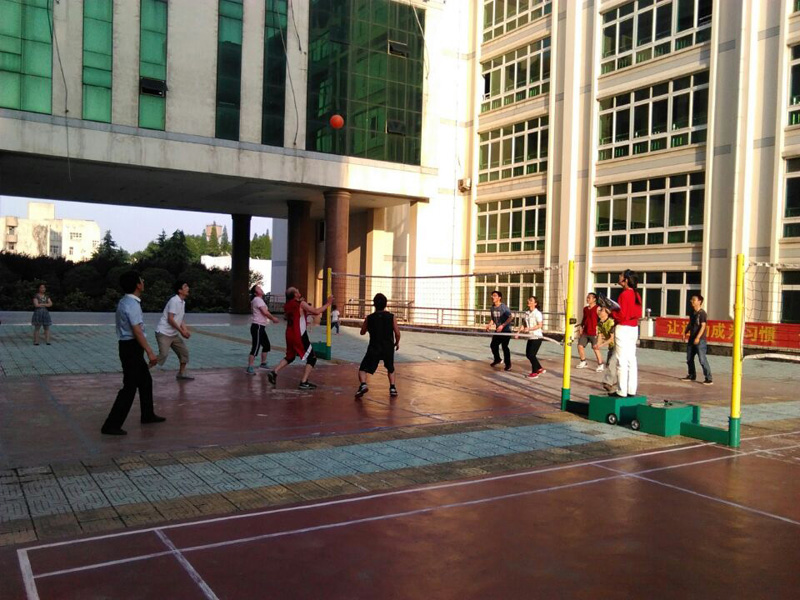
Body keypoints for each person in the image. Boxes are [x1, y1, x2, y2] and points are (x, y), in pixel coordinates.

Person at [101, 271, 165, 436]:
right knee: (129, 387)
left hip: (128, 346)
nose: (143, 282)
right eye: (141, 280)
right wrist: (150, 352)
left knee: (145, 381)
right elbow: (137, 331)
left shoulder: (125, 301)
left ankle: (147, 414)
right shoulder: (132, 304)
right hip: (131, 347)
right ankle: (111, 425)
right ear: (137, 285)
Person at [268, 287, 333, 390]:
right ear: (295, 295)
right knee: (312, 358)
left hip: (289, 333)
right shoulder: (300, 304)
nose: (299, 291)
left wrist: (305, 308)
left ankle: (274, 372)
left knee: (290, 356)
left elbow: (299, 314)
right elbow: (316, 311)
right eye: (297, 291)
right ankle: (304, 382)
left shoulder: (287, 305)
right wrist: (328, 303)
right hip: (299, 334)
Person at [355, 293, 401, 398]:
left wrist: (368, 326)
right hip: (388, 347)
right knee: (390, 368)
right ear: (386, 304)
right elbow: (397, 333)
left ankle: (363, 384)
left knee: (363, 369)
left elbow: (362, 332)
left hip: (374, 347)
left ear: (374, 304)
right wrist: (396, 343)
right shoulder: (391, 317)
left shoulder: (370, 318)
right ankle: (392, 388)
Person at [610, 270, 643, 398]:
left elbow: (621, 315)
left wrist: (611, 312)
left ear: (626, 280)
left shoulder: (624, 294)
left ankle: (621, 390)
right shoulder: (636, 294)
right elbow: (637, 313)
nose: (619, 277)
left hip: (623, 327)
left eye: (621, 275)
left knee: (621, 360)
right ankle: (631, 390)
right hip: (633, 328)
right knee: (631, 359)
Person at [155, 282, 194, 380]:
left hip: (173, 334)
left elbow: (180, 318)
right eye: (185, 286)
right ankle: (142, 370)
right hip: (163, 333)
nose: (188, 288)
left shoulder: (182, 302)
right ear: (180, 290)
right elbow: (170, 319)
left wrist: (185, 330)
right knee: (163, 355)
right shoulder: (174, 301)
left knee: (184, 352)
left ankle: (181, 373)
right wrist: (181, 331)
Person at [247, 284, 281, 375]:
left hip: (261, 326)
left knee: (266, 345)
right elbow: (265, 312)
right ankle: (250, 367)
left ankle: (263, 363)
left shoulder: (259, 300)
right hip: (257, 326)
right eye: (258, 288)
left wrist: (272, 318)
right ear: (255, 293)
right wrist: (273, 319)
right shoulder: (257, 300)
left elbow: (265, 311)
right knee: (256, 347)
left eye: (260, 287)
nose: (261, 289)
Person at [683, 294, 713, 385]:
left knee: (702, 359)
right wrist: (685, 332)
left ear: (699, 301)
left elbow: (703, 326)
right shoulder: (692, 312)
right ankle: (692, 375)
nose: (692, 301)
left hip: (700, 340)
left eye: (694, 300)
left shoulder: (702, 313)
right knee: (689, 358)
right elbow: (690, 324)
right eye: (691, 300)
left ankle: (709, 378)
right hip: (692, 339)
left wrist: (698, 337)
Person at [518, 296, 545, 379]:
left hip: (537, 336)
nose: (528, 301)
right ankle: (539, 368)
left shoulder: (537, 313)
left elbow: (540, 325)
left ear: (535, 303)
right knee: (528, 354)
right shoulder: (527, 313)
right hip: (530, 336)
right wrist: (518, 333)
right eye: (528, 300)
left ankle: (534, 372)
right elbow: (524, 324)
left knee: (532, 355)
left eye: (531, 300)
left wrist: (529, 329)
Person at [485, 290, 513, 371]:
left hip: (506, 330)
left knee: (504, 347)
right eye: (492, 295)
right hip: (498, 331)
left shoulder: (503, 307)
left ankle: (508, 364)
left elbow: (510, 317)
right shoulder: (492, 308)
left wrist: (502, 325)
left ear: (499, 298)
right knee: (493, 345)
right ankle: (497, 359)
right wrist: (489, 325)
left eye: (494, 295)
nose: (492, 297)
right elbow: (493, 319)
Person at [576, 293, 603, 371]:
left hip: (594, 332)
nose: (587, 299)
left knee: (595, 348)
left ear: (594, 299)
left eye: (589, 298)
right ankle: (583, 361)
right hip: (585, 331)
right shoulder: (585, 309)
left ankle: (600, 364)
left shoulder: (598, 308)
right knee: (580, 346)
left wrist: (599, 329)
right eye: (587, 298)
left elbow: (602, 319)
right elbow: (584, 319)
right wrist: (581, 326)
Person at [596, 305, 618, 394]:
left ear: (607, 313)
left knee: (612, 363)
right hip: (611, 347)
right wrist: (597, 345)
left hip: (617, 345)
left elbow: (612, 338)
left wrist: (601, 345)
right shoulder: (600, 323)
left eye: (601, 310)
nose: (599, 311)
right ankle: (614, 385)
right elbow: (600, 336)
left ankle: (608, 383)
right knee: (609, 364)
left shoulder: (611, 322)